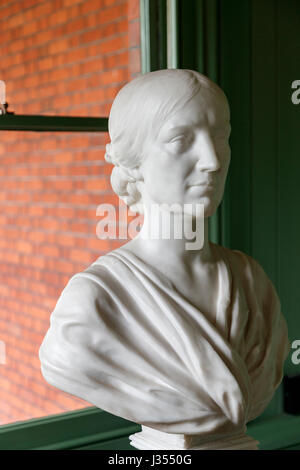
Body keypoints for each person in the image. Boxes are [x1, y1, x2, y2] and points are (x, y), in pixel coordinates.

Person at [39, 69, 289, 449]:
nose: (212, 161)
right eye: (181, 139)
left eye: (220, 136)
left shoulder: (252, 282)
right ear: (134, 164)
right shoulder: (94, 303)